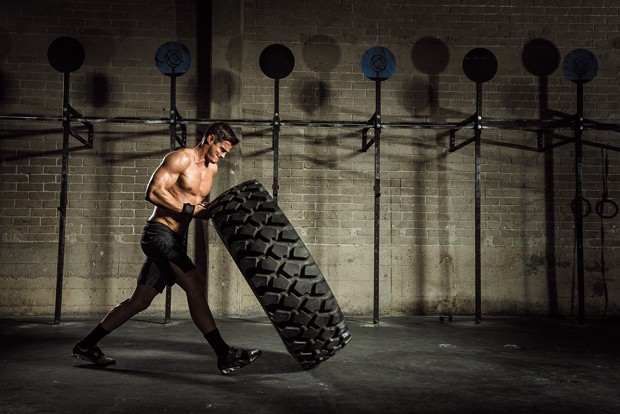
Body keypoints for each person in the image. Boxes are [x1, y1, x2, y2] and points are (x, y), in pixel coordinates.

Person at [71, 122, 261, 374]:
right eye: (222, 149)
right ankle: (224, 355)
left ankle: (86, 345)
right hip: (159, 234)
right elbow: (153, 192)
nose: (224, 156)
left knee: (139, 301)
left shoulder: (212, 169)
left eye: (227, 152)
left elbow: (195, 203)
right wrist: (189, 210)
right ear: (210, 138)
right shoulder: (180, 159)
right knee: (194, 285)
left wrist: (209, 211)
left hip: (175, 239)